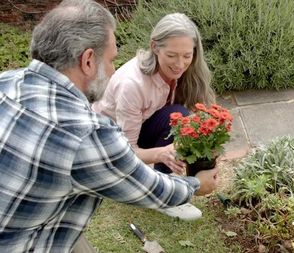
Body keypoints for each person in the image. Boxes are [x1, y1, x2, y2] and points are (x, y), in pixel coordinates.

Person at [0, 1, 219, 252]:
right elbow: (146, 187)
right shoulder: (86, 134)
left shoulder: (6, 82)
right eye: (112, 59)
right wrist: (196, 185)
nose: (114, 69)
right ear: (88, 61)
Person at [92, 13, 216, 220]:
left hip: (138, 127)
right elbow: (126, 152)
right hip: (106, 146)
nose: (180, 64)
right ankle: (163, 195)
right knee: (178, 118)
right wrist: (160, 154)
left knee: (183, 119)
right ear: (155, 47)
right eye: (172, 55)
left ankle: (164, 183)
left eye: (187, 55)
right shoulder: (132, 85)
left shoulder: (182, 70)